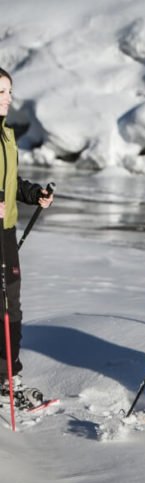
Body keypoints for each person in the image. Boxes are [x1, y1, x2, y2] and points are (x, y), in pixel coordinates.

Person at [0, 67, 54, 410]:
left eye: (8, 92)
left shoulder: (6, 135)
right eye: (0, 91)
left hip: (5, 231)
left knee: (9, 304)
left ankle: (8, 376)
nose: (7, 99)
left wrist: (34, 194)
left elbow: (11, 181)